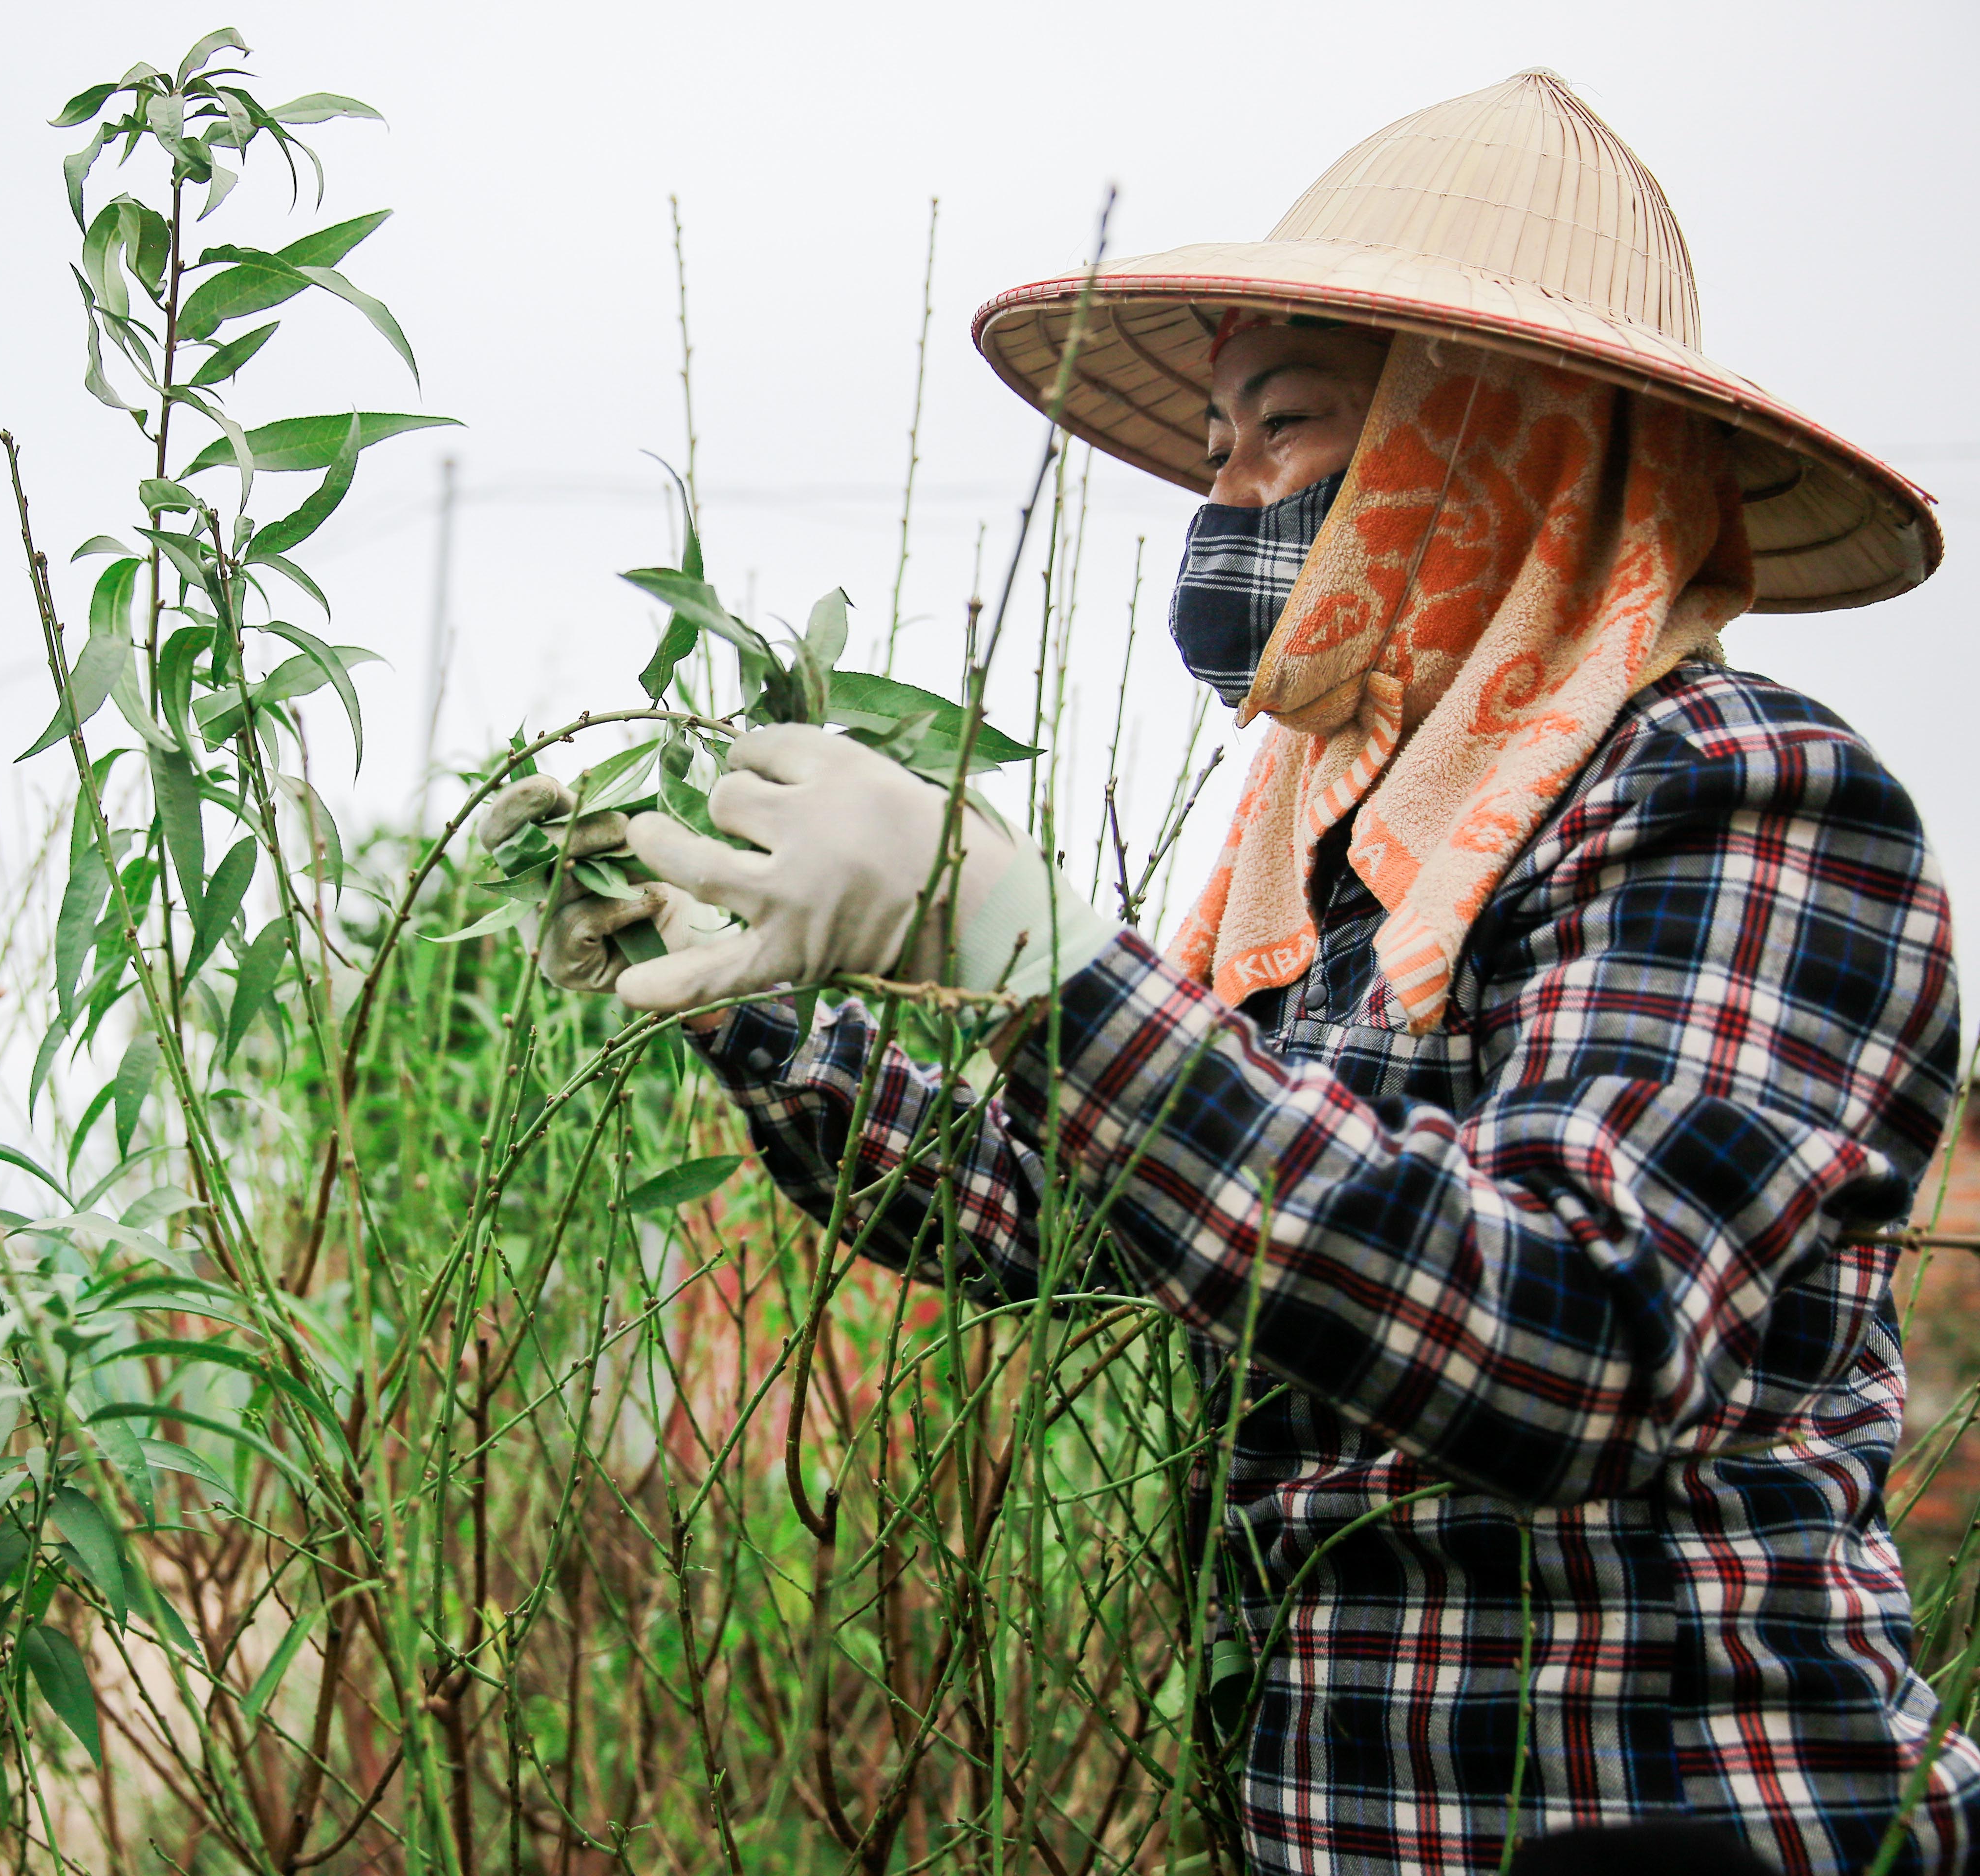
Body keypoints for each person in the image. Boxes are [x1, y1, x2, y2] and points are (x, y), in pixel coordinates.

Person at [491, 71, 1965, 1874]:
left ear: (1499, 435)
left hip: (1670, 1822)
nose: (1235, 500)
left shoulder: (1741, 797)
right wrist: (749, 997)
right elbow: (1064, 1218)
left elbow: (1578, 1338)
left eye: (1285, 431)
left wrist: (1043, 967)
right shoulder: (1339, 862)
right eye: (1215, 459)